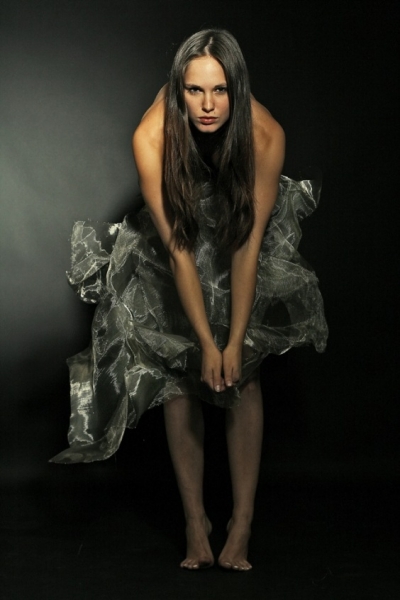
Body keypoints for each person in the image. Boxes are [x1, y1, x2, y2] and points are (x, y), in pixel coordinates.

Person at [51, 30, 328, 571]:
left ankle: (241, 523)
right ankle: (194, 522)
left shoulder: (265, 135)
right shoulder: (150, 136)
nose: (207, 105)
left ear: (237, 89)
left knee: (242, 370)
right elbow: (179, 250)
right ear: (178, 89)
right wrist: (204, 340)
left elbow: (247, 248)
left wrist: (233, 340)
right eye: (195, 91)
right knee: (179, 373)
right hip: (175, 242)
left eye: (220, 91)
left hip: (235, 234)